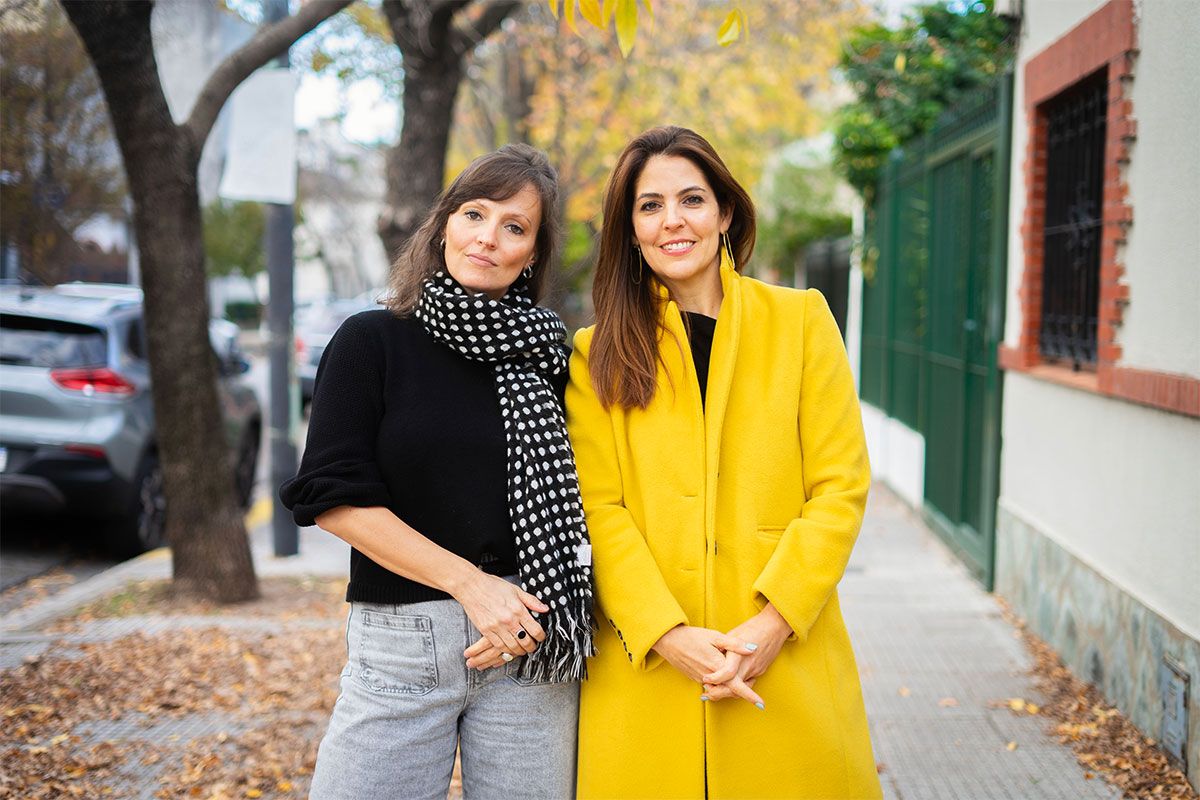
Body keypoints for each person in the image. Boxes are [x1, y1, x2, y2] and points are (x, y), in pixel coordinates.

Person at [565, 125, 882, 799]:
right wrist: (667, 634)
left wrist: (774, 624)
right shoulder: (594, 355)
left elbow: (840, 486)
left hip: (783, 658)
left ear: (725, 212)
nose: (672, 221)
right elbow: (599, 511)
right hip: (647, 671)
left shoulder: (801, 321)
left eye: (691, 199)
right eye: (649, 206)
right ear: (629, 228)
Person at [280, 143, 594, 800]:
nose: (488, 237)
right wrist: (472, 587)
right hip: (402, 642)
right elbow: (335, 499)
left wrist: (516, 606)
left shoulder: (549, 360)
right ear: (444, 223)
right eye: (474, 214)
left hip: (530, 644)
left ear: (532, 253)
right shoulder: (373, 341)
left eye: (514, 227)